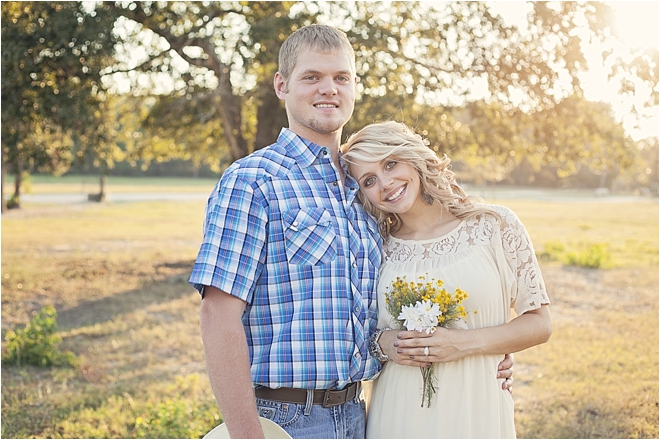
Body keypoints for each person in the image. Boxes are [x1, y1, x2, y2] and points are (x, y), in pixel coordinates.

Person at [189, 24, 514, 439]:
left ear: (354, 86)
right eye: (312, 77)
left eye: (341, 77)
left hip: (362, 414)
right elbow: (218, 315)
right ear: (282, 85)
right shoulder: (253, 180)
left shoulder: (366, 191)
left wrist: (486, 354)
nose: (329, 89)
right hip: (284, 419)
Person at [341, 120, 552, 439]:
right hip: (398, 411)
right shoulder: (373, 245)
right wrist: (384, 343)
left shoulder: (494, 225)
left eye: (391, 163)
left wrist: (466, 344)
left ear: (412, 157)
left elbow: (539, 323)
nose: (386, 183)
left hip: (475, 406)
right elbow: (355, 329)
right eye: (370, 180)